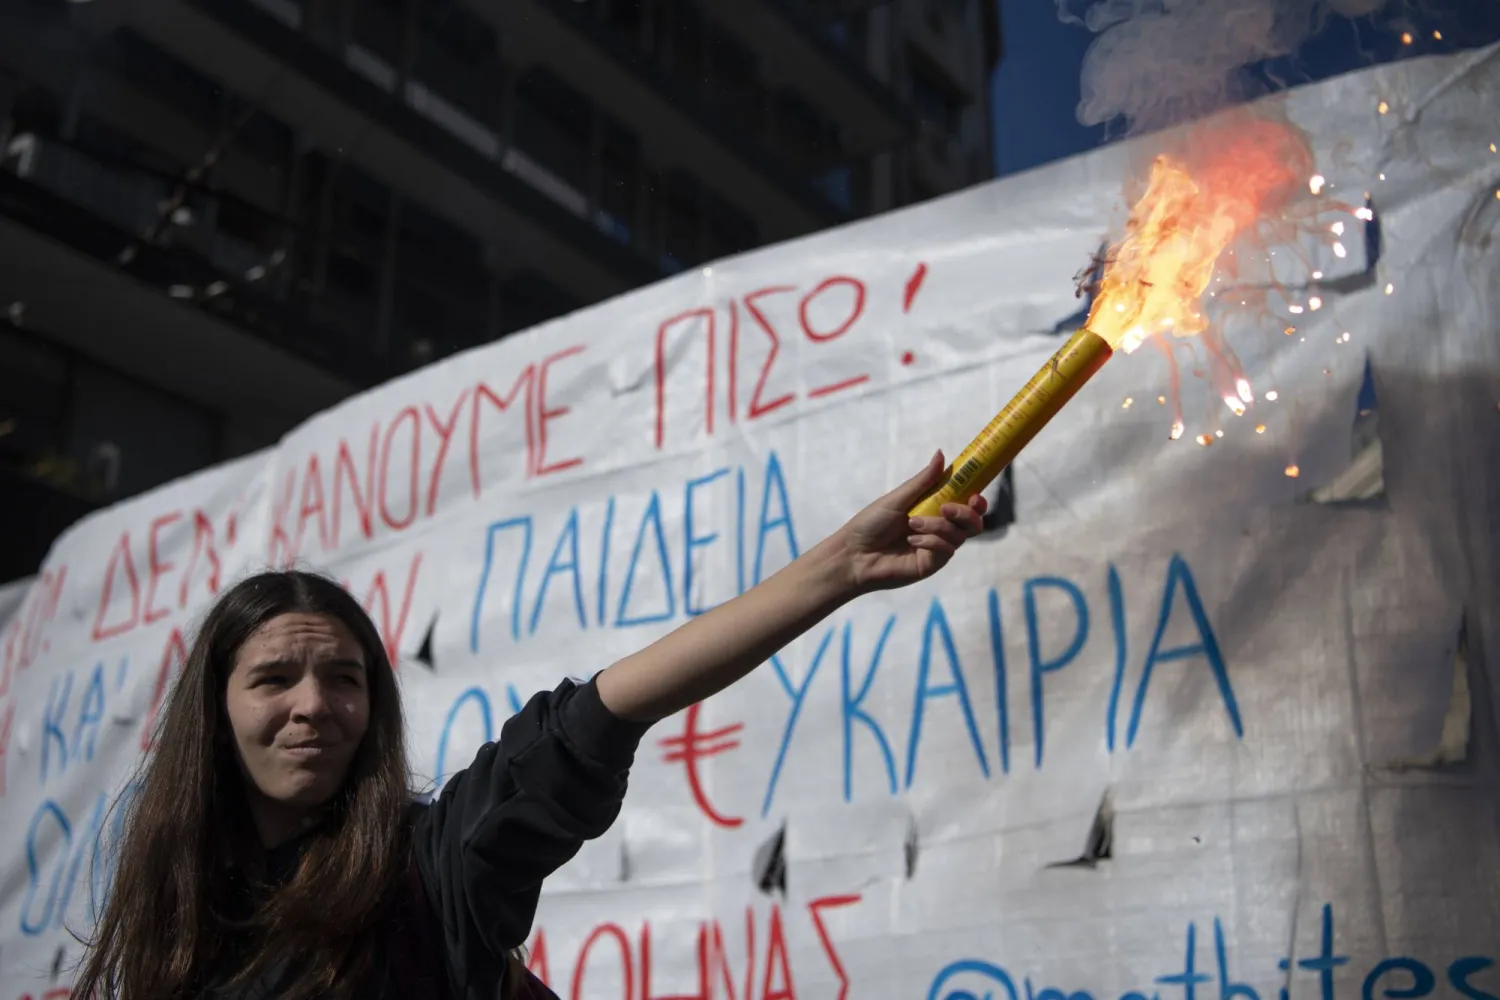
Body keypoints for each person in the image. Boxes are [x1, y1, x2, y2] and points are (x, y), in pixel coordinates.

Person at [74, 452, 986, 1000]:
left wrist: (836, 570)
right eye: (274, 678)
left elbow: (599, 713)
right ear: (215, 711)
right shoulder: (176, 915)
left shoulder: (432, 871)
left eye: (345, 679)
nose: (314, 704)